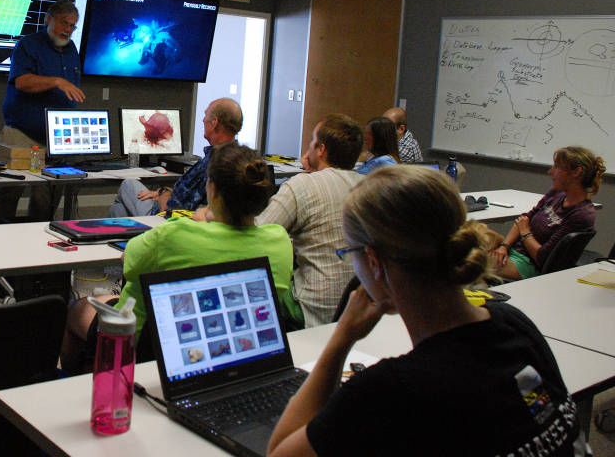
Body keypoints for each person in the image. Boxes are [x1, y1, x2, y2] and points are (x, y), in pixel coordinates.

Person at [267, 166, 584, 457]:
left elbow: (279, 452)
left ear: (375, 263)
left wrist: (341, 338)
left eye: (350, 254)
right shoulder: (514, 322)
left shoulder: (391, 390)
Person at [61, 143, 293, 374]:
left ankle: (73, 382)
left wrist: (198, 221)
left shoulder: (176, 234)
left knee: (76, 309)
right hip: (239, 353)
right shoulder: (279, 241)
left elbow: (127, 261)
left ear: (212, 191)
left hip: (146, 347)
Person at [256, 114, 364, 328]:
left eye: (313, 142)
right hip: (357, 309)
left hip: (311, 309)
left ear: (321, 149)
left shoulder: (302, 186)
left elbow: (260, 233)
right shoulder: (369, 186)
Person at [0, 0, 86, 223]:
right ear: (48, 19)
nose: (67, 30)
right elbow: (22, 82)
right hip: (22, 133)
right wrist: (57, 81)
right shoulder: (28, 45)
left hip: (57, 137)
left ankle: (39, 246)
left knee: (47, 198)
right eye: (63, 23)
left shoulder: (71, 49)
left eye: (72, 25)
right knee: (7, 191)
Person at [109, 97, 242, 217]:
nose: (203, 119)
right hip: (194, 215)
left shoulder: (212, 163)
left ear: (214, 123)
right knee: (118, 210)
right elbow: (192, 195)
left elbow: (171, 209)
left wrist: (163, 193)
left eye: (205, 115)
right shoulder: (237, 158)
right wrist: (165, 192)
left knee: (128, 184)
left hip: (168, 219)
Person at [492, 146, 605, 280]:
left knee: (468, 261)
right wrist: (504, 247)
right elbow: (524, 219)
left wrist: (525, 233)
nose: (550, 171)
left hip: (528, 265)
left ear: (576, 172)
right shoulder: (557, 193)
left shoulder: (581, 215)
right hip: (513, 250)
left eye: (557, 167)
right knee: (470, 237)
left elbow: (543, 259)